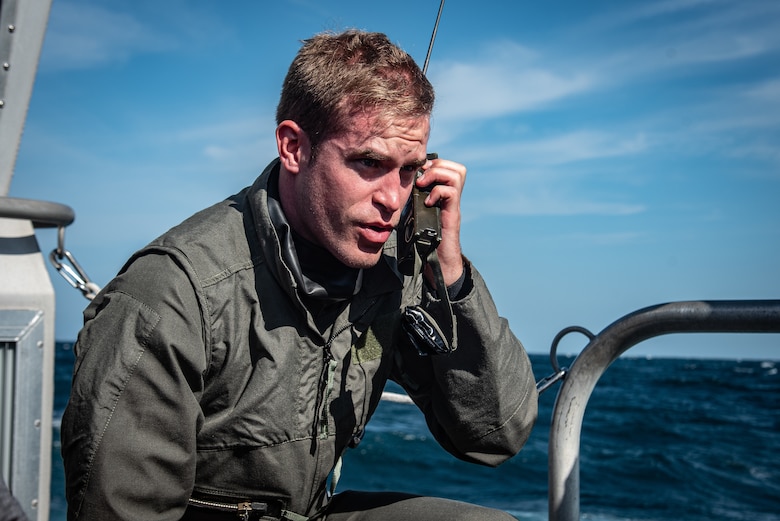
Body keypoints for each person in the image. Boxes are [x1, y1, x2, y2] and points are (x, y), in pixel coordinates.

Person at [61, 30, 538, 521]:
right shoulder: (172, 296)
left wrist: (450, 274)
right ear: (293, 147)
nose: (394, 201)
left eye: (410, 171)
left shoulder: (395, 271)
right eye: (369, 162)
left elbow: (495, 435)